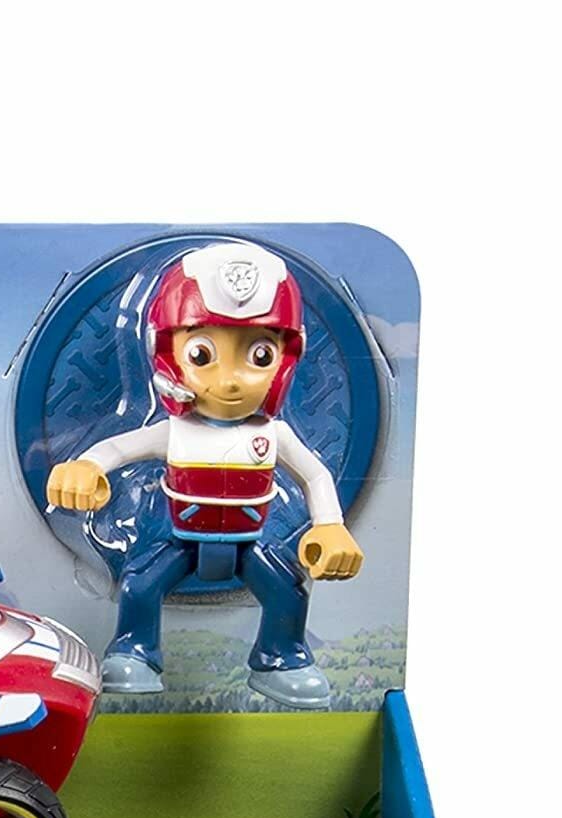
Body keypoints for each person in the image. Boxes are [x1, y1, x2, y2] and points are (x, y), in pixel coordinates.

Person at [47, 241, 363, 708]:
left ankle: (281, 656)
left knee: (289, 590)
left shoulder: (273, 434)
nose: (230, 380)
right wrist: (84, 467)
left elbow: (315, 477)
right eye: (202, 354)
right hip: (181, 539)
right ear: (169, 356)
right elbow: (117, 447)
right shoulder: (175, 431)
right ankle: (135, 651)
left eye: (259, 355)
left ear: (284, 360)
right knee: (139, 583)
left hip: (249, 543)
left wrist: (330, 527)